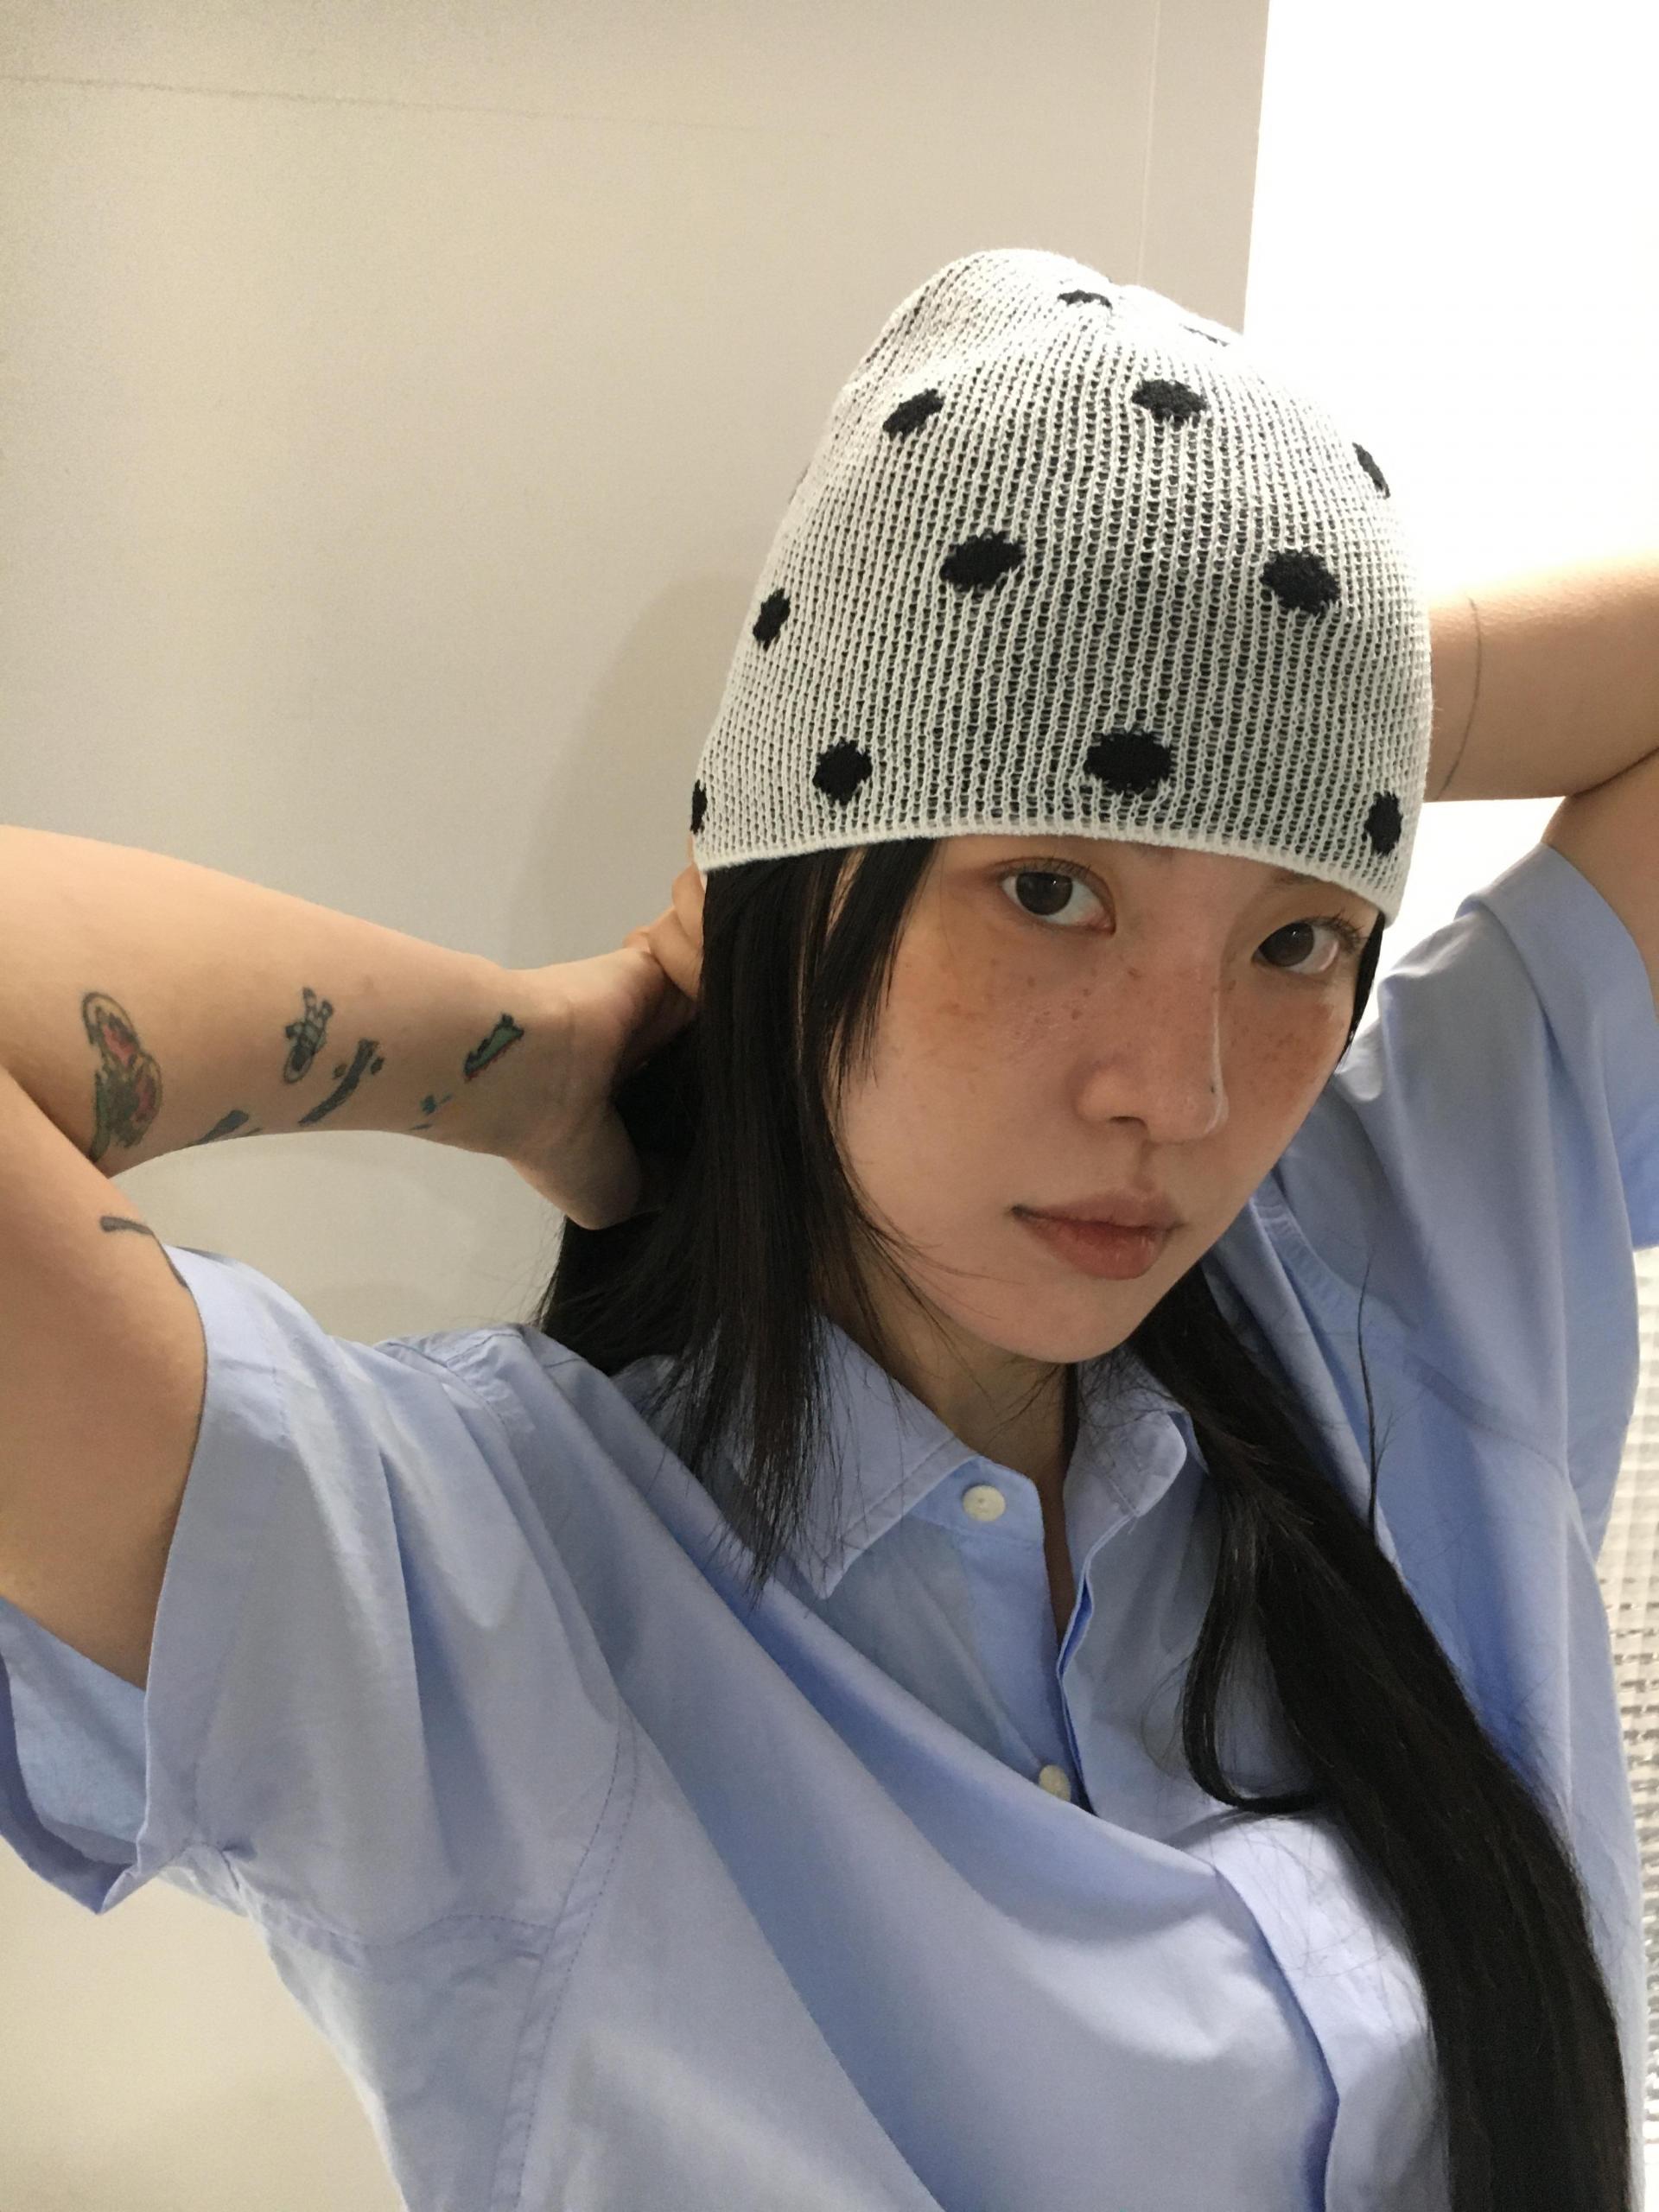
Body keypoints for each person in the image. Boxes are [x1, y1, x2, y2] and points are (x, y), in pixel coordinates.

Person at [1, 247, 1655, 2211]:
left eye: (1299, 936)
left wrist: (1300, 687)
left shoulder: (1401, 1264)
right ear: (782, 902)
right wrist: (525, 1060)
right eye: (1051, 889)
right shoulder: (460, 1602)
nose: (1184, 1090)